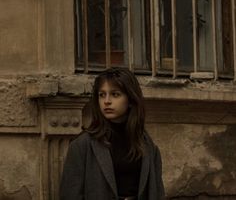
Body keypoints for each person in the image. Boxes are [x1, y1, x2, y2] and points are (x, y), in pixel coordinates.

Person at [60, 67, 165, 200]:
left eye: (115, 94)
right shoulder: (82, 146)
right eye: (102, 95)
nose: (107, 101)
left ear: (131, 100)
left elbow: (157, 192)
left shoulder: (148, 146)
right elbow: (70, 195)